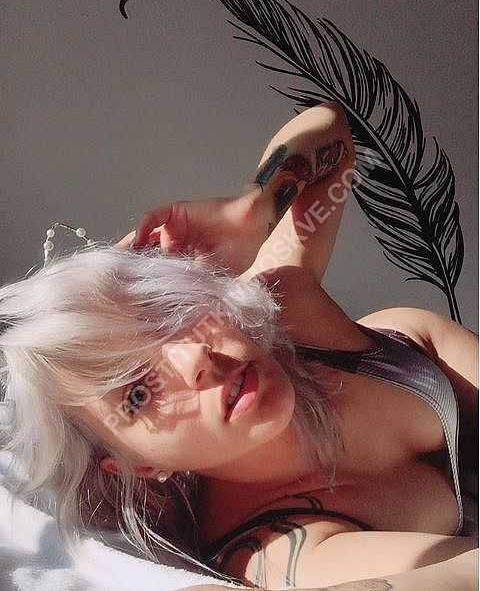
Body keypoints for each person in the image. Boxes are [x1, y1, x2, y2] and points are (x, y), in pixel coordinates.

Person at [0, 103, 477, 590]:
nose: (194, 359)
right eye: (137, 395)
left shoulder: (285, 304)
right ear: (140, 465)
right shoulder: (276, 548)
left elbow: (332, 132)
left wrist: (254, 209)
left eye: (166, 315)